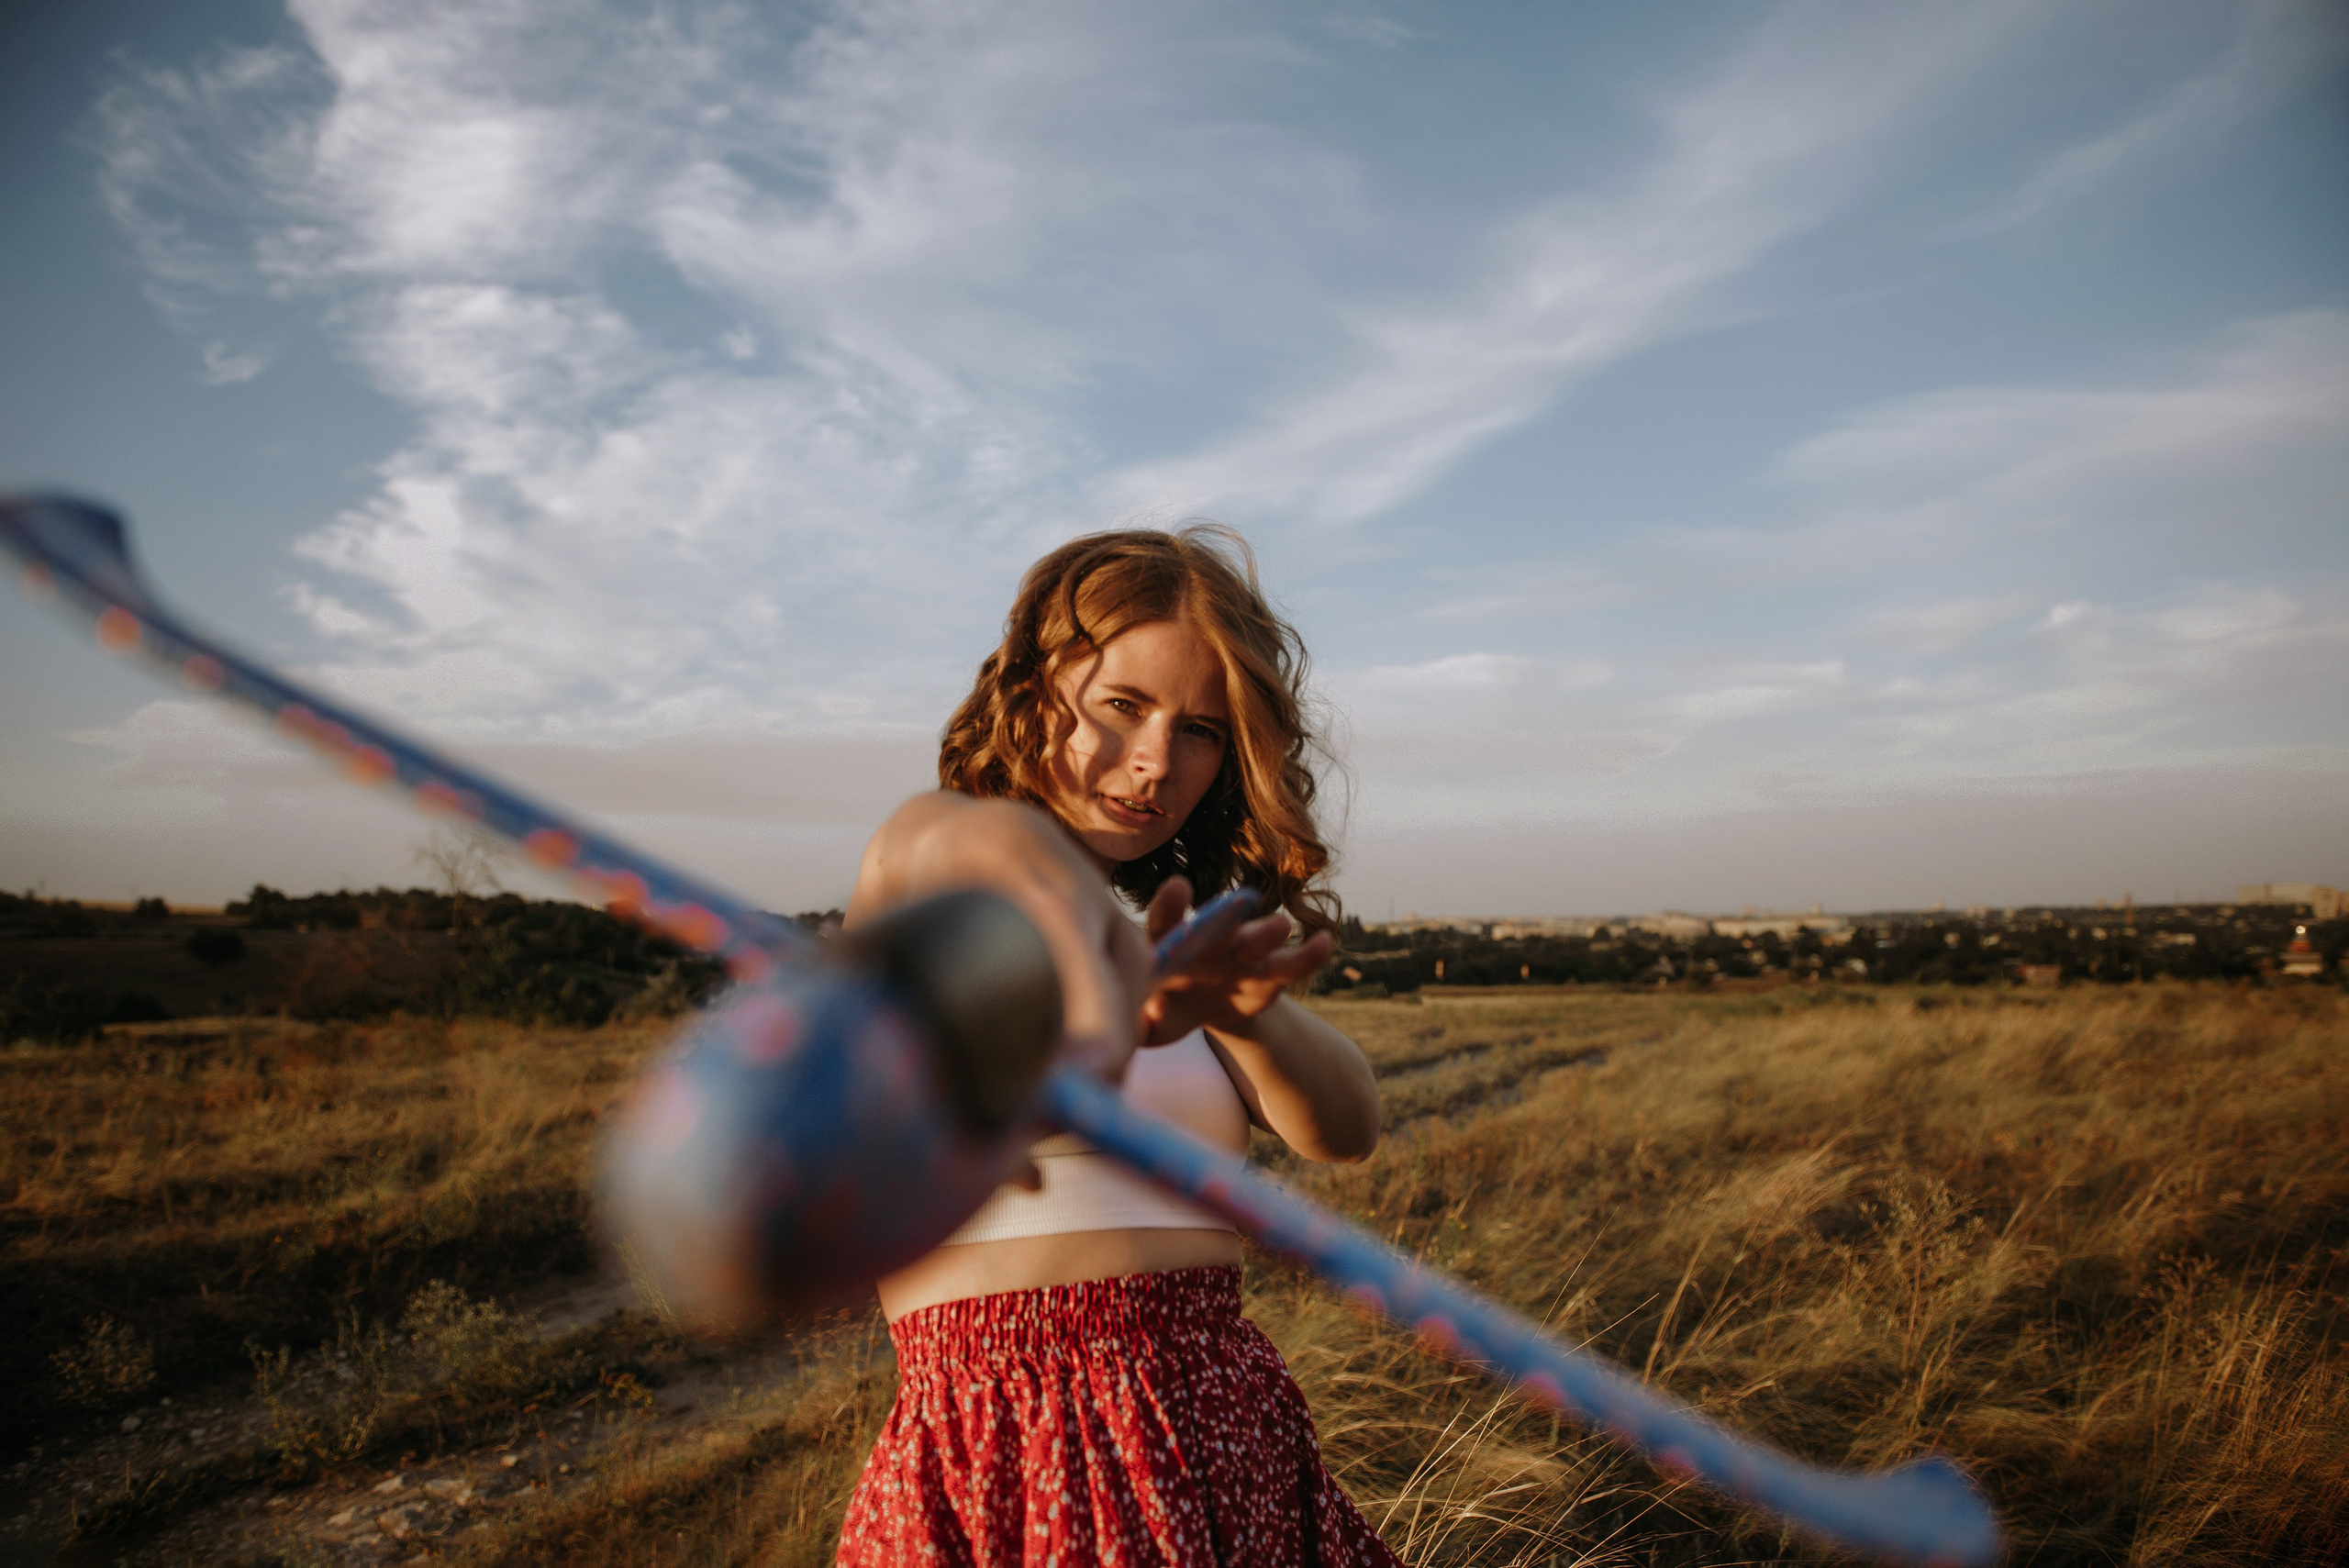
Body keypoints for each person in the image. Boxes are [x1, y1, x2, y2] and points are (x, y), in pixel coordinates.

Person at [834, 526, 1402, 1566]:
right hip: (1008, 1442)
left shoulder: (1181, 927)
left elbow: (1344, 1129)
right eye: (1121, 706)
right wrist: (1117, 991)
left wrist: (1239, 1006)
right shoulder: (936, 860)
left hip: (1222, 1425)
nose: (1154, 762)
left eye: (1200, 729)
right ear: (1033, 686)